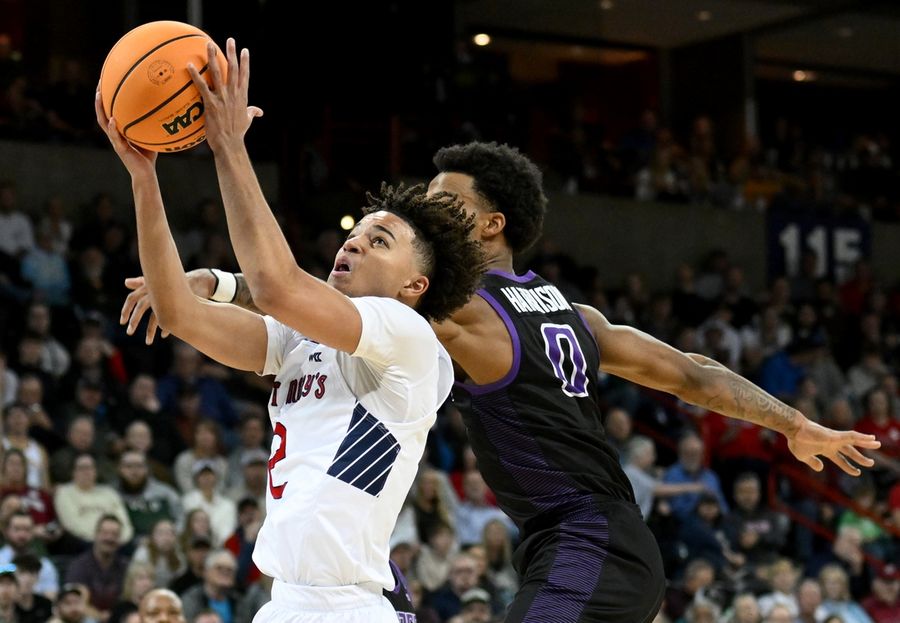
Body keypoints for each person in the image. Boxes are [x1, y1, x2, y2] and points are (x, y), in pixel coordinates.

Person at [120, 63, 881, 623]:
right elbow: (691, 373)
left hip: (585, 541)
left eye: (440, 203)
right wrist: (794, 424)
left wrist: (216, 277)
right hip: (583, 541)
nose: (423, 206)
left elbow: (300, 291)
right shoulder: (571, 314)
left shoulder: (451, 317)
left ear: (489, 226)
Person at [96, 36, 482, 623]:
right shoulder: (300, 342)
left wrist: (227, 145)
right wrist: (144, 179)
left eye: (380, 242)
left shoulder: (409, 340)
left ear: (414, 286)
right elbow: (177, 313)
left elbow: (277, 286)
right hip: (284, 604)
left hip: (351, 608)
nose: (353, 242)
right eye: (355, 234)